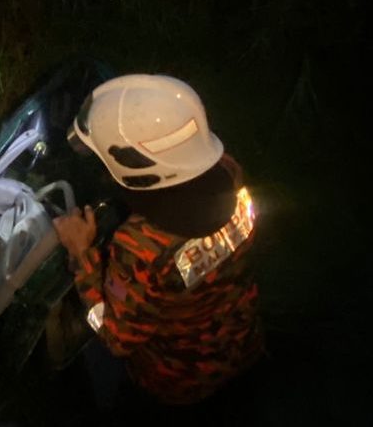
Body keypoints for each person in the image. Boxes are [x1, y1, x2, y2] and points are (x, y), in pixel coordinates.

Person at [53, 73, 264, 405]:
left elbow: (116, 337)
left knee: (95, 360)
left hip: (177, 379)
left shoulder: (141, 246)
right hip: (243, 342)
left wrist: (82, 254)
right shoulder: (228, 172)